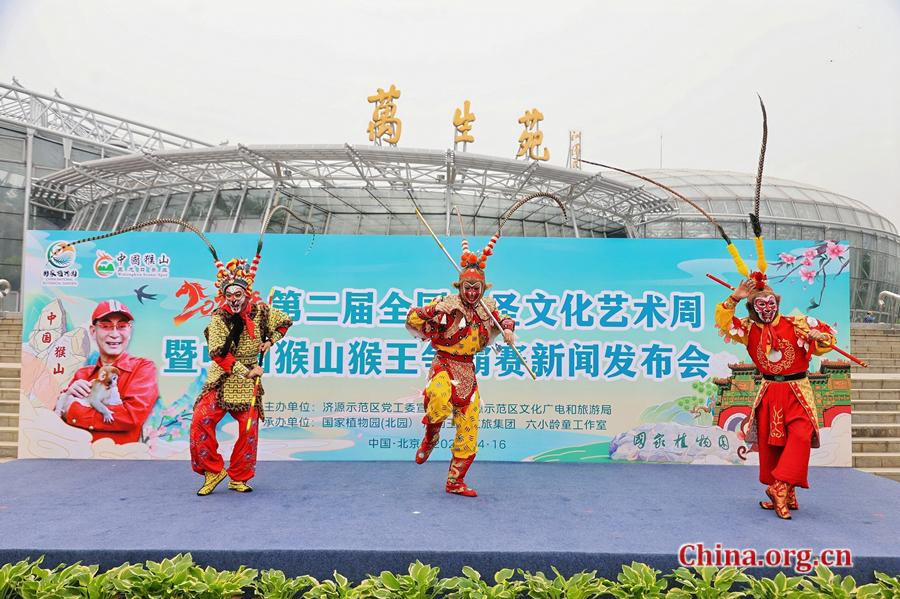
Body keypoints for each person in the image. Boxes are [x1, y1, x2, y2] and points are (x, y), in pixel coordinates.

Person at [715, 273, 835, 519]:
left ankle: (779, 487)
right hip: (770, 390)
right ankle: (787, 492)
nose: (767, 309)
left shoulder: (798, 324)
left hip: (797, 390)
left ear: (777, 303)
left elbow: (828, 339)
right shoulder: (747, 329)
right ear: (753, 307)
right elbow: (724, 323)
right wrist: (734, 298)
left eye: (771, 303)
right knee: (774, 442)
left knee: (800, 435)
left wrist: (820, 337)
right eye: (761, 304)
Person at [406, 232, 515, 497]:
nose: (472, 292)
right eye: (468, 287)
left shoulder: (488, 308)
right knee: (438, 397)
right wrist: (434, 311)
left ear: (483, 288)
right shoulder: (446, 303)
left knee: (469, 429)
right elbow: (413, 318)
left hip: (468, 371)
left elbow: (504, 319)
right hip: (444, 364)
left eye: (477, 288)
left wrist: (509, 329)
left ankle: (455, 482)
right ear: (460, 286)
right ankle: (430, 438)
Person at [189, 257, 292, 495]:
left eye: (238, 294)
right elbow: (218, 354)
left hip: (249, 381)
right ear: (224, 296)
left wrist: (270, 341)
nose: (233, 299)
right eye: (229, 295)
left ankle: (239, 476)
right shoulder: (219, 317)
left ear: (246, 294)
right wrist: (246, 372)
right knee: (200, 421)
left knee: (248, 429)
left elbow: (285, 323)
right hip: (222, 378)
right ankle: (213, 471)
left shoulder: (262, 312)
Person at [57, 300, 158, 444]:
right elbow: (59, 419)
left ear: (129, 331)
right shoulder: (83, 374)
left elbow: (131, 417)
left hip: (120, 454)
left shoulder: (143, 368)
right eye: (106, 326)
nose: (115, 334)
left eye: (122, 326)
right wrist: (66, 396)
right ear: (93, 331)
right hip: (77, 454)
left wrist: (73, 411)